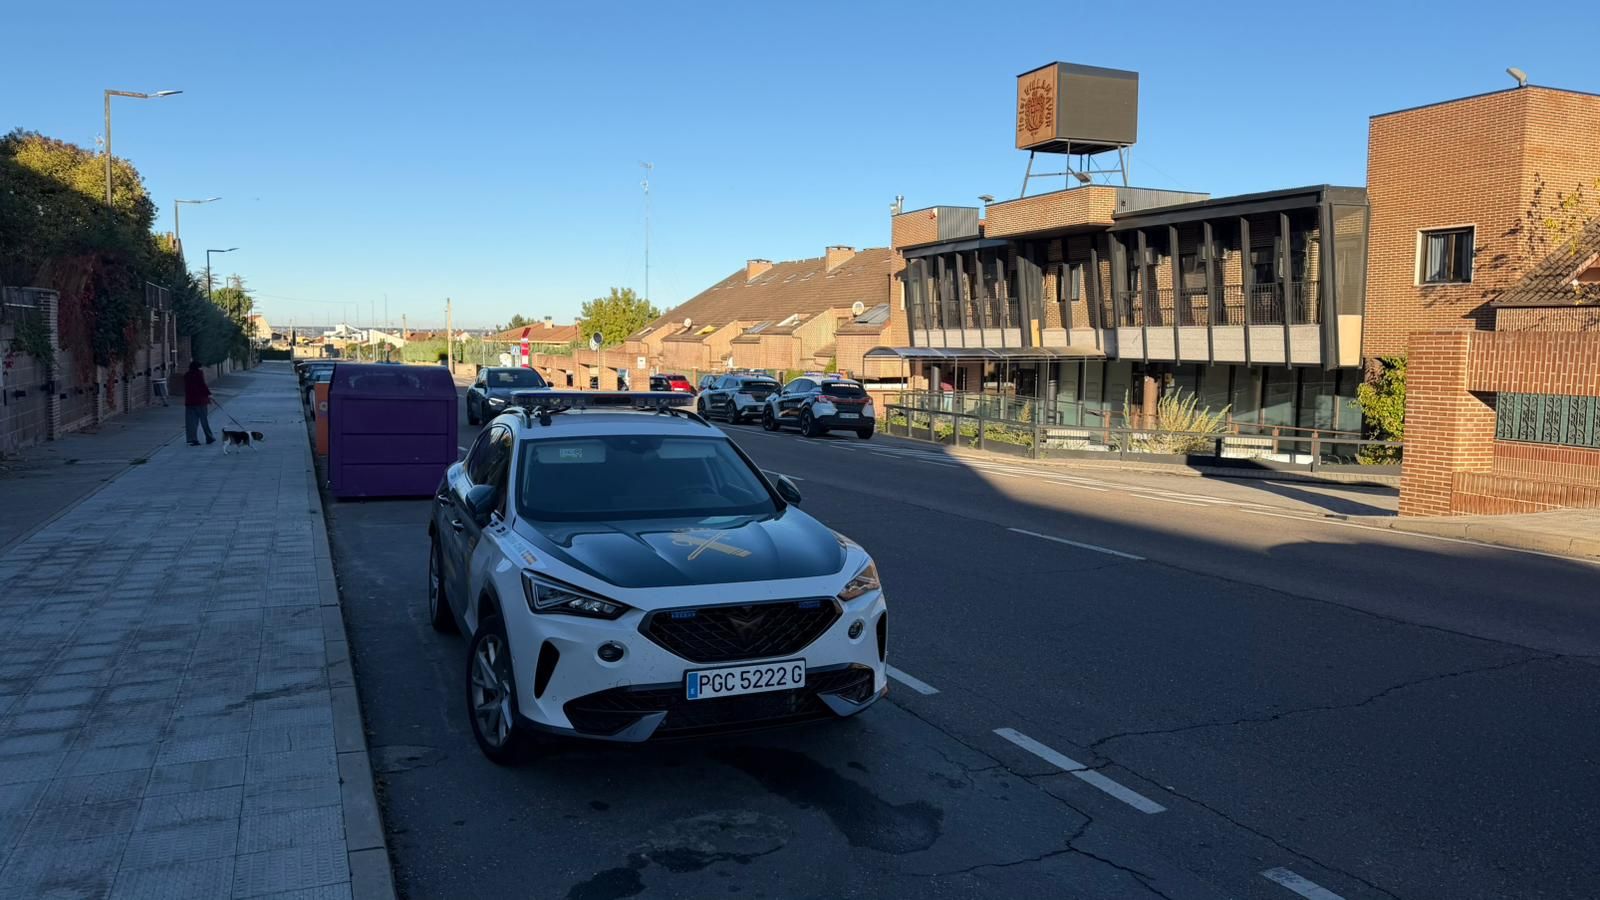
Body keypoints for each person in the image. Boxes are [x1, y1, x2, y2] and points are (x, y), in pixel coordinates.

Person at [184, 360, 215, 445]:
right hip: (200, 401)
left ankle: (193, 439)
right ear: (198, 367)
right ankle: (209, 437)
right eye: (200, 367)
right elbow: (202, 385)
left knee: (191, 422)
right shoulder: (199, 374)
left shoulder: (187, 375)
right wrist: (209, 395)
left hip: (190, 402)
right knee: (203, 420)